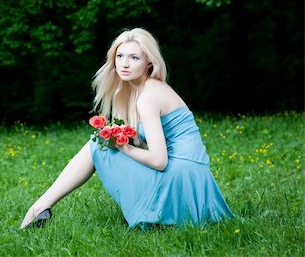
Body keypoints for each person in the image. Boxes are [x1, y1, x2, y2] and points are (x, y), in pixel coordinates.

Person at [20, 28, 234, 229]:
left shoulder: (148, 96)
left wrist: (123, 148)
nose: (125, 63)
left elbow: (159, 161)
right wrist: (128, 140)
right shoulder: (148, 90)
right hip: (194, 178)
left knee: (97, 145)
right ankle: (41, 207)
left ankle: (39, 207)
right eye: (120, 56)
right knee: (101, 140)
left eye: (134, 58)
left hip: (181, 179)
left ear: (149, 63)